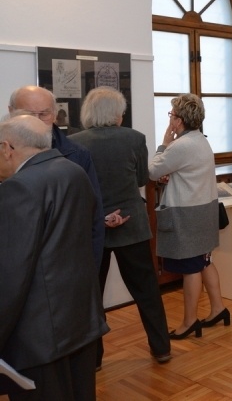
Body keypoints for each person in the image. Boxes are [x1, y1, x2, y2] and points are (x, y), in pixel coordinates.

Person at [0, 115, 109, 400]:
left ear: (7, 147)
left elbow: (12, 274)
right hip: (80, 321)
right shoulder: (73, 171)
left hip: (40, 335)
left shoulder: (19, 187)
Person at [69, 87, 172, 366]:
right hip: (131, 224)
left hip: (92, 227)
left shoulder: (74, 143)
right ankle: (161, 347)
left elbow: (75, 188)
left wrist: (102, 215)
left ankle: (95, 358)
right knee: (147, 291)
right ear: (116, 114)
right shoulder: (135, 138)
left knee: (92, 296)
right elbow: (141, 178)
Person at [148, 93, 227, 338]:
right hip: (204, 209)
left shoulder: (181, 145)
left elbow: (152, 170)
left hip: (188, 214)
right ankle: (218, 309)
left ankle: (189, 321)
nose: (170, 119)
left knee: (191, 267)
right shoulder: (200, 140)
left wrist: (163, 143)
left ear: (179, 120)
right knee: (204, 261)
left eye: (172, 115)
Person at [8, 85, 106, 270]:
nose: (36, 121)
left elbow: (92, 217)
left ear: (54, 114)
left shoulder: (76, 154)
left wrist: (90, 270)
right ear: (11, 112)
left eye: (44, 114)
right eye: (28, 114)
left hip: (63, 268)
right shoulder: (3, 154)